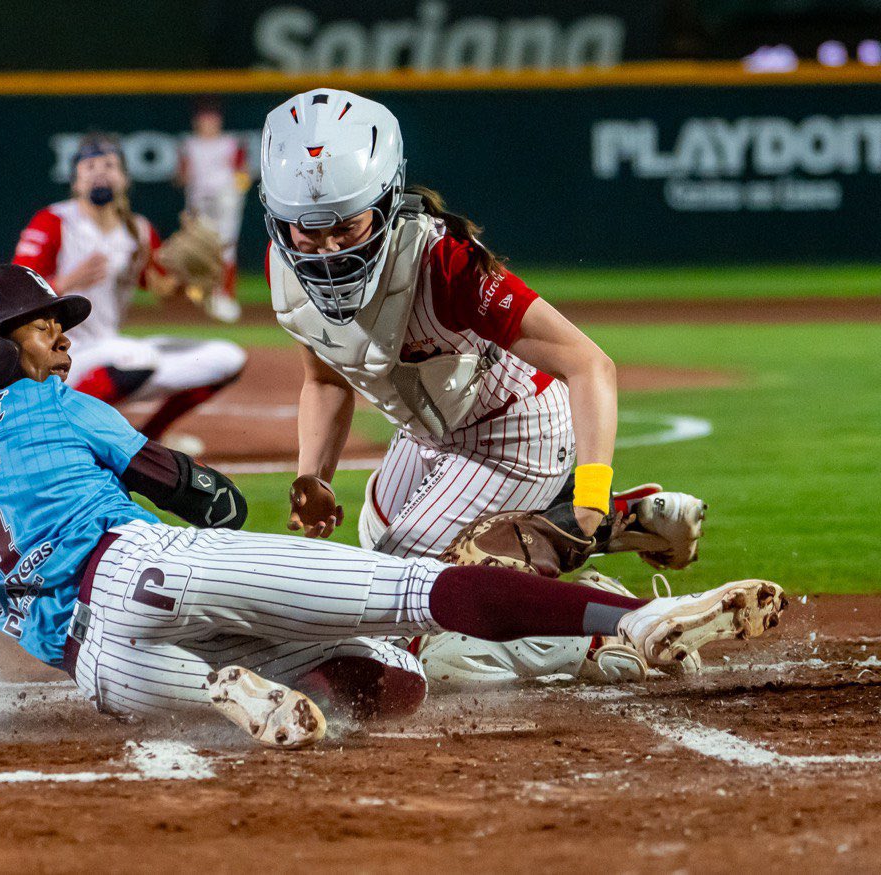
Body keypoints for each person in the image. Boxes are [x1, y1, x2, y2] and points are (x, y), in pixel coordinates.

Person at [0, 264, 787, 750]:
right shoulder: (53, 404)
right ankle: (634, 617)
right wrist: (218, 500)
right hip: (157, 566)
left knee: (373, 690)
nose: (55, 335)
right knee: (411, 595)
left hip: (104, 658)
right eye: (36, 325)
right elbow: (185, 488)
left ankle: (223, 685)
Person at [259, 89, 711, 687]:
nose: (326, 250)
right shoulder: (283, 265)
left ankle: (598, 633)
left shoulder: (444, 265)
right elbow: (323, 380)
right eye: (306, 230)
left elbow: (589, 364)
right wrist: (312, 476)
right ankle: (608, 526)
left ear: (387, 200)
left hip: (517, 431)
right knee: (376, 530)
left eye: (345, 226)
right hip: (433, 433)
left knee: (405, 603)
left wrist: (593, 486)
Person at [14, 133, 245, 455]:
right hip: (58, 358)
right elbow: (15, 293)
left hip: (108, 352)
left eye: (109, 164)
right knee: (139, 357)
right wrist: (66, 282)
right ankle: (53, 427)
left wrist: (191, 282)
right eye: (89, 165)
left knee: (228, 357)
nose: (100, 171)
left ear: (124, 178)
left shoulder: (138, 230)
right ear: (75, 182)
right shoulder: (54, 221)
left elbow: (165, 293)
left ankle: (150, 438)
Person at [176, 99, 251, 324]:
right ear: (197, 122)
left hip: (226, 200)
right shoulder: (189, 144)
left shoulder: (230, 142)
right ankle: (202, 297)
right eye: (204, 119)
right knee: (200, 248)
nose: (208, 123)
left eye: (212, 119)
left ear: (219, 121)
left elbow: (243, 173)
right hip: (199, 201)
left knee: (226, 245)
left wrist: (235, 191)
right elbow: (181, 177)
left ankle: (226, 296)